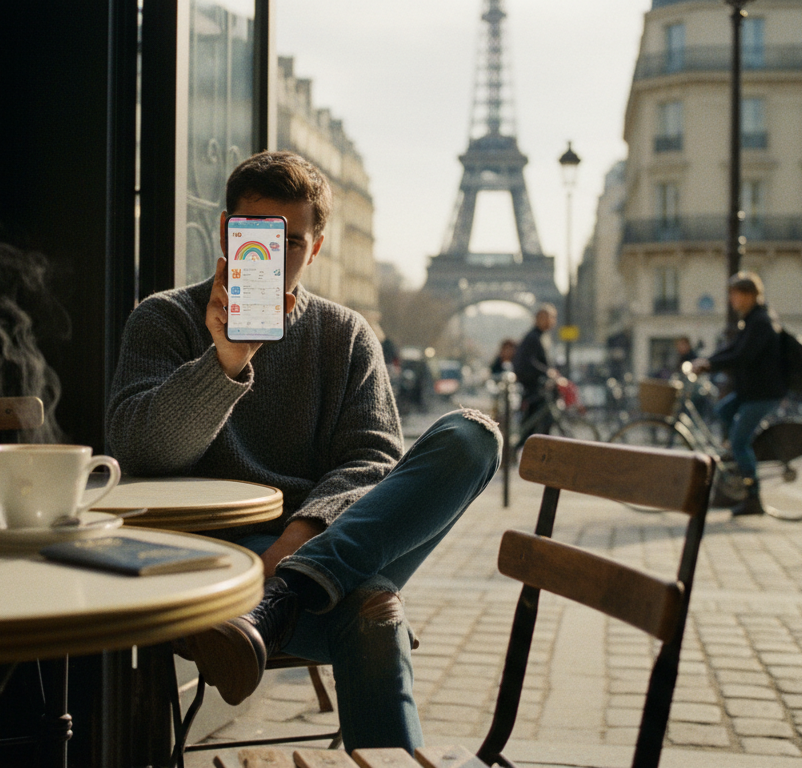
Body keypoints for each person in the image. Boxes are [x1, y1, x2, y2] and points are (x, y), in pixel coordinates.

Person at [104, 151, 501, 752]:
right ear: (225, 232)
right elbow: (143, 451)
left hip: (301, 557)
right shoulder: (164, 319)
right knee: (372, 607)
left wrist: (295, 545)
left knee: (474, 437)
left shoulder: (344, 335)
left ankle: (288, 592)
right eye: (255, 235)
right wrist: (226, 360)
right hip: (215, 563)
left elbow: (370, 461)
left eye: (290, 241)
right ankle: (303, 599)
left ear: (315, 249)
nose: (271, 256)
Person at [692, 272, 787, 517]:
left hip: (762, 394)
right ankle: (739, 456)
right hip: (750, 392)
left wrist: (709, 365)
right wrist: (708, 361)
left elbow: (741, 356)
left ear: (749, 295)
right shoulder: (751, 319)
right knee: (723, 409)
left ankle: (753, 499)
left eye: (735, 294)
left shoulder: (761, 322)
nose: (731, 300)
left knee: (739, 441)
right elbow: (732, 349)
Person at [513, 304, 558, 443]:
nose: (551, 321)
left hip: (533, 384)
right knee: (540, 422)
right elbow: (529, 362)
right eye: (548, 317)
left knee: (532, 424)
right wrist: (548, 372)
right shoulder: (534, 337)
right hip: (533, 386)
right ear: (539, 318)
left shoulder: (536, 336)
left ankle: (522, 449)